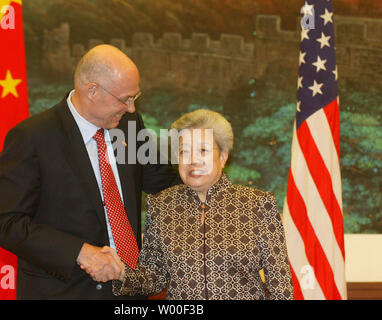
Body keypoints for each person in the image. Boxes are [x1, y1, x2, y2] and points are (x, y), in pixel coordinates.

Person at [0, 44, 180, 299]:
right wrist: (79, 251)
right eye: (124, 99)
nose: (131, 108)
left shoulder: (129, 125)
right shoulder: (33, 138)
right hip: (64, 291)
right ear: (92, 91)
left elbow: (167, 185)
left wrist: (207, 172)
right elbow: (4, 223)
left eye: (135, 97)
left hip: (129, 291)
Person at [91, 109, 294, 300]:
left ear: (223, 157)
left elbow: (280, 285)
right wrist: (121, 272)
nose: (193, 161)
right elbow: (154, 278)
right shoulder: (162, 205)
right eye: (184, 152)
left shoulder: (257, 204)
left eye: (203, 151)